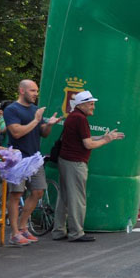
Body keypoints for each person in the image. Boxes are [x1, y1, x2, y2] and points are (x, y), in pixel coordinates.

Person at [52, 91, 124, 242]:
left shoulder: (73, 116)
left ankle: (59, 231)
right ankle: (76, 233)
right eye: (91, 104)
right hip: (75, 163)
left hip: (65, 160)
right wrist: (107, 140)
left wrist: (105, 137)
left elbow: (85, 138)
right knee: (77, 198)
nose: (93, 107)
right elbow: (88, 143)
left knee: (64, 197)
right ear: (81, 104)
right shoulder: (80, 119)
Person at [4, 79, 61, 246]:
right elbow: (16, 133)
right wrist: (36, 121)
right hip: (17, 159)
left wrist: (48, 125)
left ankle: (23, 227)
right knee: (16, 195)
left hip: (34, 158)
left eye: (36, 91)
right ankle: (14, 233)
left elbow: (43, 133)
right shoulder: (12, 109)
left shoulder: (36, 110)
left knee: (38, 192)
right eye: (32, 91)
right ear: (22, 91)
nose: (36, 94)